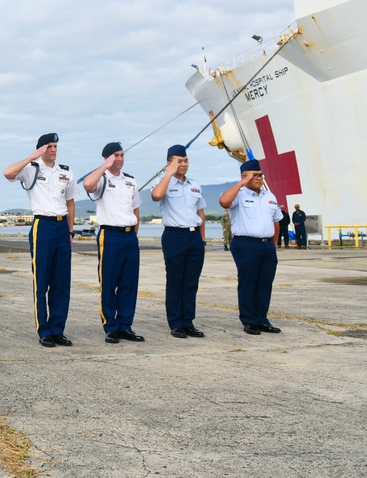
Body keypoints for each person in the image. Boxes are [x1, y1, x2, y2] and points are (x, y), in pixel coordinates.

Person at [3, 132, 77, 348]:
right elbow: (7, 173)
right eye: (49, 147)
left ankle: (58, 329)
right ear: (41, 149)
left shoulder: (66, 172)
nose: (53, 150)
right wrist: (32, 156)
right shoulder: (31, 169)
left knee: (61, 282)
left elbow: (70, 202)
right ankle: (44, 330)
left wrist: (70, 231)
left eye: (55, 146)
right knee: (41, 281)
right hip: (42, 226)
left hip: (62, 226)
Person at [83, 142, 143, 344]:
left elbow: (135, 209)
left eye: (122, 155)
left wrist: (134, 233)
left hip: (129, 236)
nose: (120, 159)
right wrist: (104, 167)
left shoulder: (131, 181)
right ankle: (110, 327)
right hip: (110, 235)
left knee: (129, 283)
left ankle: (125, 326)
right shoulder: (101, 179)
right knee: (109, 283)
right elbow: (88, 185)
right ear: (107, 158)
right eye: (115, 155)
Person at [219, 159, 284, 335]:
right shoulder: (238, 195)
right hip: (246, 244)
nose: (259, 178)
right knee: (248, 282)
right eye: (255, 175)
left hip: (266, 246)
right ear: (244, 177)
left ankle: (262, 319)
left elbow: (276, 221)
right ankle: (249, 320)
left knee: (265, 283)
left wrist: (274, 244)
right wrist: (241, 184)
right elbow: (224, 202)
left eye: (260, 175)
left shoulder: (269, 196)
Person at [150, 145, 206, 339]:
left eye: (185, 160)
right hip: (174, 236)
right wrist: (169, 174)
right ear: (170, 163)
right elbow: (156, 196)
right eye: (179, 161)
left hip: (194, 237)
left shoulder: (195, 184)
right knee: (175, 281)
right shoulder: (162, 182)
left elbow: (200, 213)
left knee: (191, 282)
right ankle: (176, 323)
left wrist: (202, 240)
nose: (183, 164)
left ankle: (188, 322)